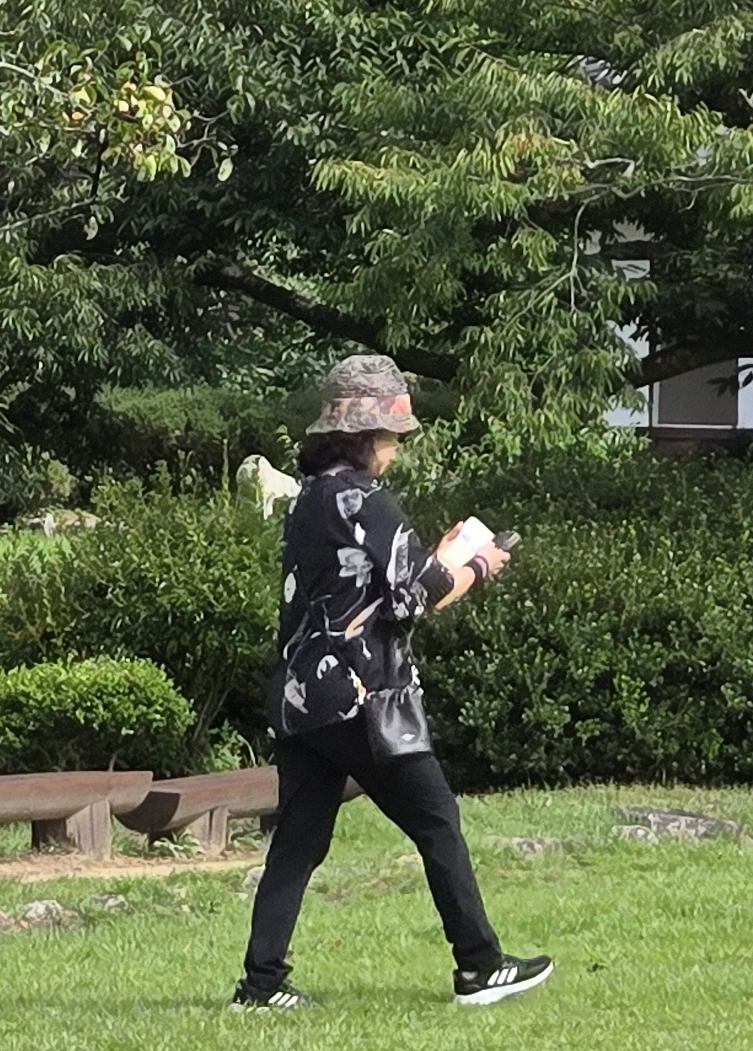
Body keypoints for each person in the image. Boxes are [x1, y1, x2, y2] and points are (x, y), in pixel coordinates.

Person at [234, 354, 555, 1012]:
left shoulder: (312, 499)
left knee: (298, 842)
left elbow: (366, 590)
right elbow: (413, 601)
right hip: (362, 698)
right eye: (390, 438)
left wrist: (436, 559)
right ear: (365, 435)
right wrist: (480, 567)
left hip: (302, 698)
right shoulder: (370, 501)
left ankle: (260, 985)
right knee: (437, 821)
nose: (395, 451)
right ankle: (480, 967)